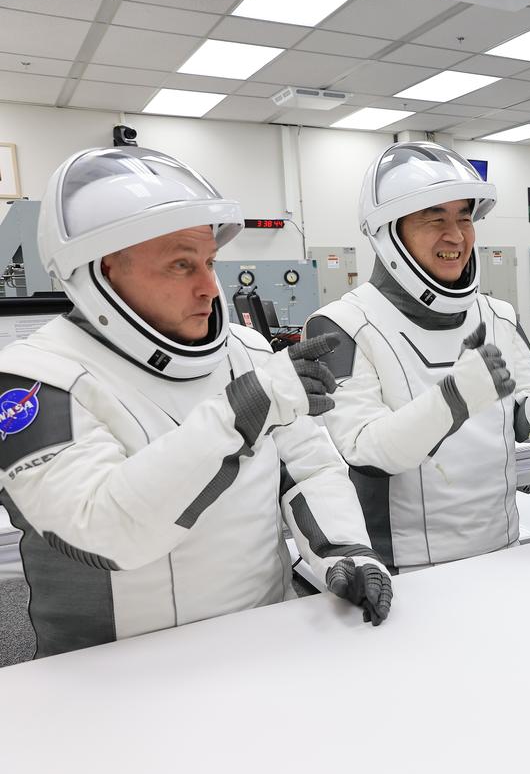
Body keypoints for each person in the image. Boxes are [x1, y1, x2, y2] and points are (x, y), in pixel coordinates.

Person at [0, 147, 392, 657]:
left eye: (209, 262)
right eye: (181, 265)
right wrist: (240, 412)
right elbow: (102, 531)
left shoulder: (248, 352)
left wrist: (343, 550)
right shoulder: (33, 379)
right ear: (100, 271)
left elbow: (310, 469)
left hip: (266, 644)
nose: (210, 287)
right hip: (114, 676)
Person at [306, 141, 530, 570]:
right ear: (388, 232)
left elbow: (528, 426)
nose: (457, 236)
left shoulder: (498, 314)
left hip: (504, 551)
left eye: (464, 217)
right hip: (407, 571)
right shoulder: (341, 324)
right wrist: (455, 398)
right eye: (435, 218)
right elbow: (367, 452)